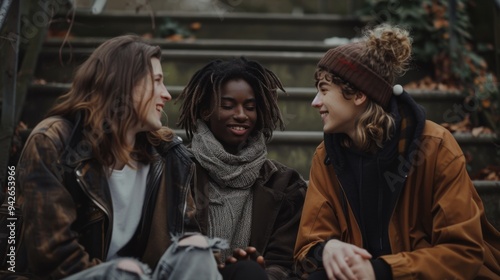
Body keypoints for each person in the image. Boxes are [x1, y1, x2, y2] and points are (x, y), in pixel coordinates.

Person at [1, 35, 226, 279]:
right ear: (123, 83)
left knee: (198, 254)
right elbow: (52, 256)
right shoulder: (54, 142)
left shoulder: (169, 155)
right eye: (157, 81)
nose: (167, 94)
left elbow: (187, 238)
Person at [294, 24, 500, 280]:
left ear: (359, 95)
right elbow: (307, 246)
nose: (315, 102)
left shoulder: (435, 146)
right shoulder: (326, 156)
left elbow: (463, 252)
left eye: (324, 91)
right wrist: (327, 249)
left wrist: (382, 271)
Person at [176, 57, 307, 280]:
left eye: (250, 107)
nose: (241, 115)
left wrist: (259, 272)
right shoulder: (179, 172)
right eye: (228, 106)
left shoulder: (284, 183)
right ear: (206, 110)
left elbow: (285, 262)